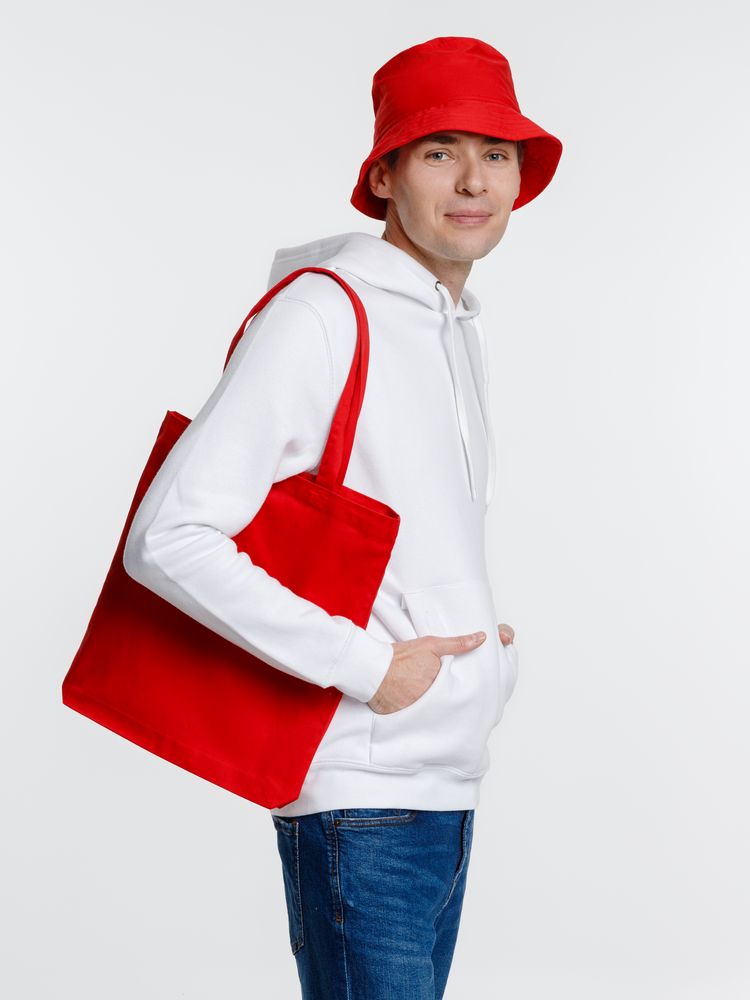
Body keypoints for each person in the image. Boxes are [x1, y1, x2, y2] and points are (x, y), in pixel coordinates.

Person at [123, 34, 562, 1000]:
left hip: (442, 784)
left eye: (496, 154)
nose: (474, 180)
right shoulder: (325, 314)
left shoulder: (452, 327)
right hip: (364, 797)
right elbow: (170, 537)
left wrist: (475, 641)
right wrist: (371, 666)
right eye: (440, 151)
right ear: (384, 175)